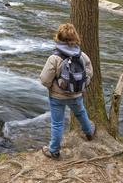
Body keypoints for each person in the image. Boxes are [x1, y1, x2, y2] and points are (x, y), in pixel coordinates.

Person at [40, 23, 95, 159]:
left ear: (58, 38)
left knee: (57, 123)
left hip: (57, 97)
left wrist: (53, 86)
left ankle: (54, 151)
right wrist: (83, 85)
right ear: (75, 37)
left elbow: (45, 80)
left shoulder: (54, 58)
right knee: (81, 113)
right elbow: (89, 73)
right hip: (76, 94)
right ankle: (89, 133)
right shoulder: (82, 55)